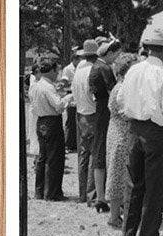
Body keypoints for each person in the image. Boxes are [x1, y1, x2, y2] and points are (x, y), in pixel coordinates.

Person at [120, 25, 163, 236]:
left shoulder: (133, 70)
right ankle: (147, 234)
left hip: (134, 127)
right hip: (156, 130)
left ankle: (128, 231)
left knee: (134, 181)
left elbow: (121, 100)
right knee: (155, 184)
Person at [30, 52, 69, 201]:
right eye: (57, 71)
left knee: (42, 157)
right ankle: (52, 193)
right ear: (52, 71)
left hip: (40, 122)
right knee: (54, 158)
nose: (58, 74)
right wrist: (67, 98)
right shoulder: (48, 87)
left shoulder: (36, 86)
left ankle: (39, 191)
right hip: (52, 122)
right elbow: (58, 106)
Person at [104, 52, 137, 229]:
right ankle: (114, 215)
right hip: (122, 134)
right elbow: (125, 112)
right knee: (118, 175)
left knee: (119, 173)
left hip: (117, 132)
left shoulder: (120, 86)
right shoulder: (122, 88)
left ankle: (117, 213)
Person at [71, 39, 102, 203]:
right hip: (92, 114)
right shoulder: (94, 70)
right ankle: (92, 193)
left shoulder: (78, 71)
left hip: (80, 113)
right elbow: (95, 96)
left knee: (83, 155)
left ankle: (83, 193)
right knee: (94, 155)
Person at [89, 43, 117, 213]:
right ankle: (103, 196)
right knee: (105, 154)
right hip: (106, 113)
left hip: (98, 112)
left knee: (99, 152)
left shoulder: (95, 67)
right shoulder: (104, 68)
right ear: (110, 53)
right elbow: (113, 92)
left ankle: (100, 196)